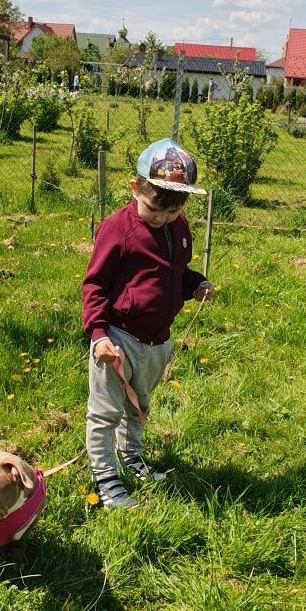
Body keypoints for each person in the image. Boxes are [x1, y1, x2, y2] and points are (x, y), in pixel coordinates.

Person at [82, 138, 215, 507]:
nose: (162, 219)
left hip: (158, 341)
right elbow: (95, 283)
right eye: (155, 210)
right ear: (136, 187)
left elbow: (176, 272)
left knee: (139, 404)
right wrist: (98, 334)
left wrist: (195, 284)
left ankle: (132, 456)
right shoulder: (117, 229)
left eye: (172, 213)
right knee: (107, 409)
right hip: (119, 338)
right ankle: (105, 477)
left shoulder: (179, 226)